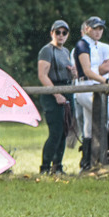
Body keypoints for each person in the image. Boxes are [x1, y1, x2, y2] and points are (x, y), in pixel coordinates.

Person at [71, 17, 109, 171]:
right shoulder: (82, 45)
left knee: (88, 127)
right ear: (86, 28)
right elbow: (87, 71)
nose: (98, 31)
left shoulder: (93, 46)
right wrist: (107, 82)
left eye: (100, 29)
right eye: (95, 28)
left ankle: (86, 164)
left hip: (91, 87)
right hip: (85, 87)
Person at [37, 20, 76, 175]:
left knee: (65, 131)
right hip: (53, 93)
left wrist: (73, 73)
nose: (61, 35)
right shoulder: (47, 50)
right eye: (57, 32)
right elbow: (42, 75)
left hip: (67, 89)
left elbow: (69, 74)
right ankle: (45, 167)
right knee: (56, 132)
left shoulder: (66, 51)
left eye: (64, 33)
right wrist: (56, 94)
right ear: (52, 33)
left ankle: (57, 166)